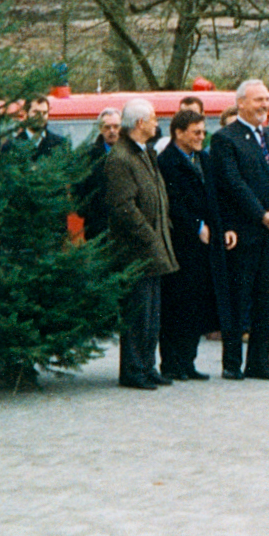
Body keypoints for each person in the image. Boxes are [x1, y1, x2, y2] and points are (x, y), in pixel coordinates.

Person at [210, 78, 269, 382]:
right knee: (238, 301)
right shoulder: (225, 139)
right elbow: (233, 184)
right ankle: (232, 363)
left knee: (267, 300)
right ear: (241, 102)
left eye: (267, 100)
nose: (265, 105)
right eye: (258, 100)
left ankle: (260, 362)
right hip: (245, 234)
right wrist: (261, 215)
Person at [102, 99, 177, 390]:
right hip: (135, 249)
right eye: (153, 119)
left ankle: (147, 365)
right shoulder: (120, 158)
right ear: (139, 123)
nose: (157, 124)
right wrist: (150, 236)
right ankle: (133, 370)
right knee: (138, 313)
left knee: (152, 312)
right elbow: (123, 206)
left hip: (153, 245)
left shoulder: (144, 152)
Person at [157, 108, 234, 382]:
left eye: (203, 132)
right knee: (177, 304)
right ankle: (171, 363)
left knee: (198, 303)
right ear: (179, 133)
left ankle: (188, 361)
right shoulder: (166, 162)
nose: (202, 137)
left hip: (206, 244)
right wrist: (197, 226)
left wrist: (221, 228)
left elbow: (215, 198)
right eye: (196, 132)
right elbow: (172, 203)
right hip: (182, 242)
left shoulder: (203, 158)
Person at [75, 106, 122, 239]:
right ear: (100, 129)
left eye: (116, 126)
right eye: (107, 127)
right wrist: (88, 213)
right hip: (97, 227)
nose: (112, 131)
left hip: (125, 227)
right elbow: (79, 188)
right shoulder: (88, 156)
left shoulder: (133, 154)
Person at [4, 95, 71, 161]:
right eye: (36, 112)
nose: (41, 116)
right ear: (25, 114)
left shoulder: (60, 144)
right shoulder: (11, 146)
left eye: (44, 112)